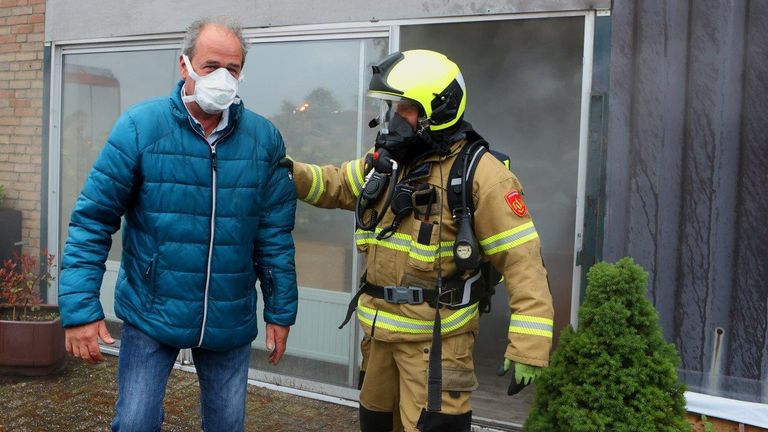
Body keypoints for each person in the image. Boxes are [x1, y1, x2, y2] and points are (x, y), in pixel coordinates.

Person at [282, 49, 554, 431]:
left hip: (437, 348)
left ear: (437, 110)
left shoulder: (482, 175)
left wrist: (530, 345)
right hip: (378, 339)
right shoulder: (389, 162)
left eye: (406, 108)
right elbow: (336, 185)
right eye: (394, 107)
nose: (395, 118)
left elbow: (524, 262)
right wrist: (285, 171)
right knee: (376, 424)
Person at [58, 16, 298, 432]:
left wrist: (280, 311)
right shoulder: (140, 127)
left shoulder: (263, 139)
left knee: (226, 425)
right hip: (152, 309)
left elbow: (273, 234)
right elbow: (92, 220)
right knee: (135, 423)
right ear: (184, 65)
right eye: (211, 66)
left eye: (233, 69)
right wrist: (80, 309)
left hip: (228, 313)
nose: (223, 77)